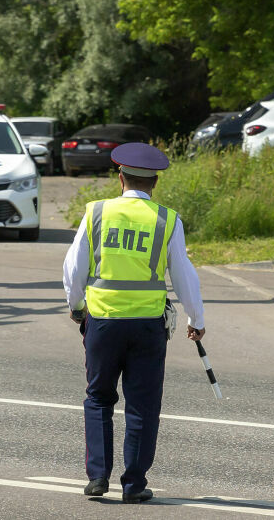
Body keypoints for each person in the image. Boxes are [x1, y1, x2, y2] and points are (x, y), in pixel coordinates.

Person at [62, 142, 206, 504]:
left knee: (98, 398)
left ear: (120, 177)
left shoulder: (96, 212)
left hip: (104, 321)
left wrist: (77, 306)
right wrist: (196, 319)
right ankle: (134, 485)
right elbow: (184, 275)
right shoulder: (167, 220)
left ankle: (97, 477)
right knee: (142, 405)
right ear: (154, 183)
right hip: (147, 326)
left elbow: (74, 268)